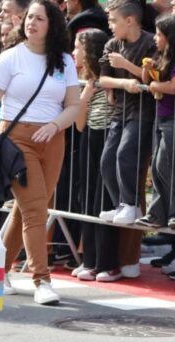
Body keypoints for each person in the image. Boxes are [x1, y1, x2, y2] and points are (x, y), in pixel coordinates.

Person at [0, 0, 81, 306]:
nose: (32, 23)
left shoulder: (64, 61)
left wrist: (54, 125)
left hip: (53, 140)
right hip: (16, 140)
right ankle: (42, 279)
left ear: (52, 24)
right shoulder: (10, 57)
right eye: (29, 17)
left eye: (39, 18)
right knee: (36, 209)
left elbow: (73, 106)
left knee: (27, 209)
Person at [97, 0, 156, 233]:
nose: (110, 26)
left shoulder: (151, 42)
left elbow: (150, 77)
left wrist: (126, 65)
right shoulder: (111, 44)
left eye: (114, 21)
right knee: (107, 160)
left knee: (125, 154)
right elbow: (103, 79)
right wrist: (123, 83)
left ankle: (131, 204)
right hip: (119, 111)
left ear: (129, 20)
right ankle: (121, 204)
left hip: (143, 111)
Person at [68, 28, 115, 281]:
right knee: (86, 197)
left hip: (109, 136)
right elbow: (79, 125)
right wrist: (85, 97)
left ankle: (107, 262)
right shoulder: (83, 81)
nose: (74, 52)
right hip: (90, 137)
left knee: (103, 200)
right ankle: (89, 259)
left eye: (78, 47)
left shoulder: (108, 78)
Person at [139, 14, 175, 246]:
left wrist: (154, 85)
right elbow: (146, 79)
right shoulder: (160, 56)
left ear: (170, 37)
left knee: (166, 164)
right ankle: (157, 213)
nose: (155, 38)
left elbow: (174, 86)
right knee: (157, 166)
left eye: (160, 34)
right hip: (161, 117)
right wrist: (147, 69)